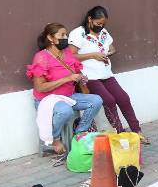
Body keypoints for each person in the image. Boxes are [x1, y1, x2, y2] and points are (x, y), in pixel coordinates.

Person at [68, 6, 150, 144]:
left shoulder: (104, 33)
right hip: (90, 76)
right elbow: (71, 56)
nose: (100, 26)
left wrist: (107, 54)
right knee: (109, 100)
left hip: (106, 74)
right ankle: (120, 133)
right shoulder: (78, 33)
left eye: (103, 24)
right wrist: (93, 55)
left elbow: (112, 49)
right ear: (90, 19)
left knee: (123, 98)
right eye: (98, 23)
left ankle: (137, 131)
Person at [27, 23, 103, 155]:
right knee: (65, 111)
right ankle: (55, 139)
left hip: (68, 96)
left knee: (96, 100)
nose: (66, 37)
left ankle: (79, 132)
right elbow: (40, 87)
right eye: (62, 35)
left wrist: (80, 78)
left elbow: (74, 72)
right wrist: (67, 79)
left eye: (66, 34)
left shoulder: (67, 53)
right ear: (51, 38)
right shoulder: (41, 57)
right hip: (48, 100)